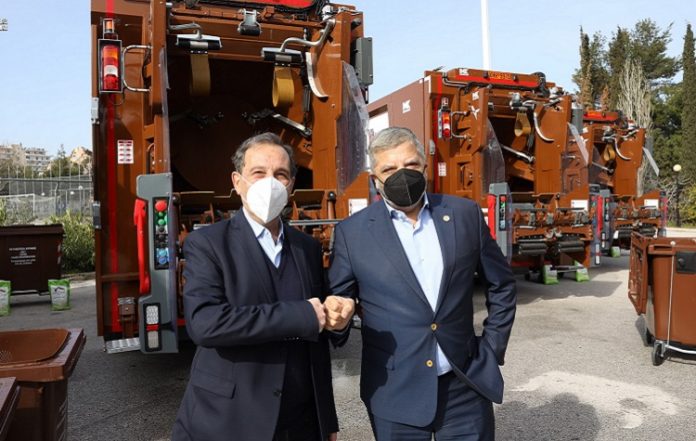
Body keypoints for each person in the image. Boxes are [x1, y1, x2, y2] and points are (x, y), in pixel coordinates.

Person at [328, 127, 517, 440]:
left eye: (410, 165)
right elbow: (340, 302)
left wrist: (492, 346)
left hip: (464, 386)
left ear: (425, 167)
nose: (401, 175)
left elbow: (502, 285)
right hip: (394, 392)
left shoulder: (464, 214)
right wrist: (337, 322)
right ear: (375, 179)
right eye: (389, 169)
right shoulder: (352, 233)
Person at [172, 132, 355, 441]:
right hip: (228, 420)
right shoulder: (208, 244)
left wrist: (338, 320)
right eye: (258, 172)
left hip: (300, 422)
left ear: (291, 185)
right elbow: (206, 323)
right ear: (237, 181)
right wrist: (301, 315)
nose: (270, 183)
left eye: (280, 174)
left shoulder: (307, 248)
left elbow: (318, 338)